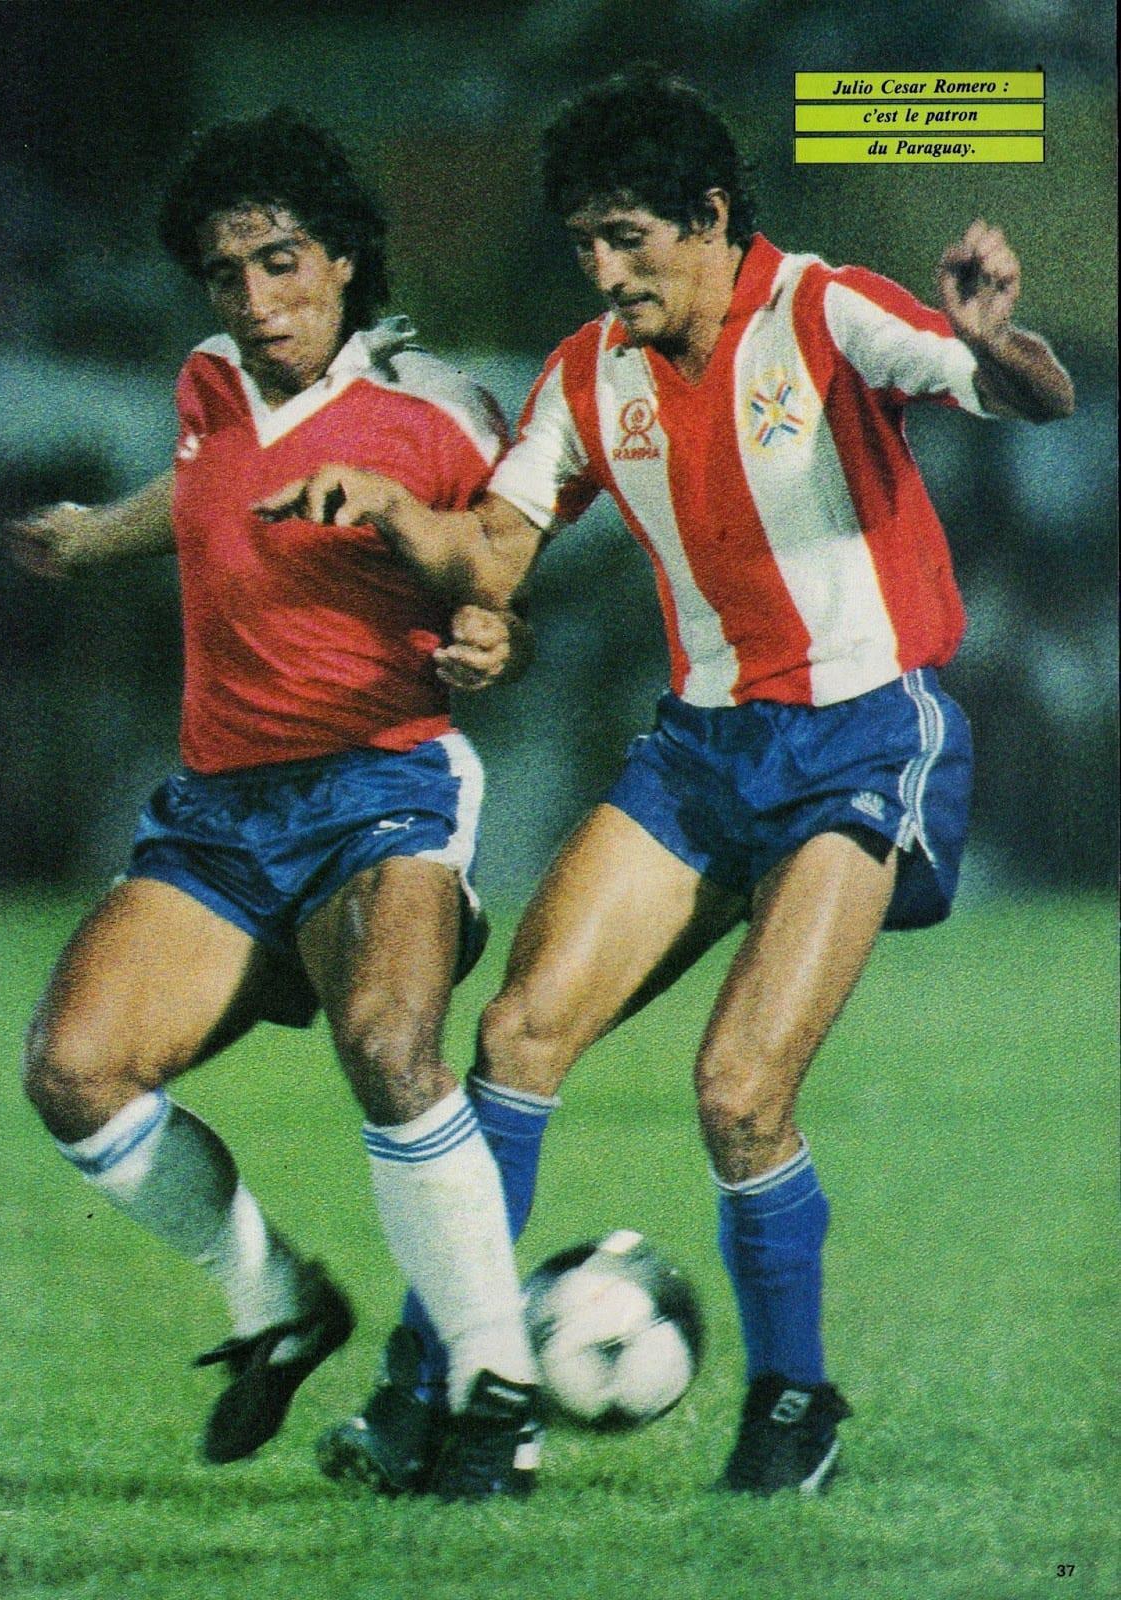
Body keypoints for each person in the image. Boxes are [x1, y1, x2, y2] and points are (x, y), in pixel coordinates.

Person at [260, 66, 1074, 1499]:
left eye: (626, 237)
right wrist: (392, 513)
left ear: (708, 217)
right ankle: (444, 1390)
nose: (602, 270)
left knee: (738, 1091)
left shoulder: (822, 309)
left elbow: (1027, 397)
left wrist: (993, 340)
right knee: (515, 1036)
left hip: (859, 737)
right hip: (699, 754)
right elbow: (493, 552)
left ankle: (793, 1404)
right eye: (582, 241)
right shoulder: (590, 376)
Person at [6, 109, 544, 1499]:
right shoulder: (208, 381)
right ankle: (279, 1302)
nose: (254, 299)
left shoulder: (439, 407)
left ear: (345, 258)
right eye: (225, 273)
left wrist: (489, 634)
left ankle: (496, 1391)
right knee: (74, 1074)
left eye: (282, 262)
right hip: (220, 813)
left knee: (389, 1048)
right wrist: (93, 537)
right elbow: (205, 496)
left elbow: (496, 570)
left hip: (382, 784)